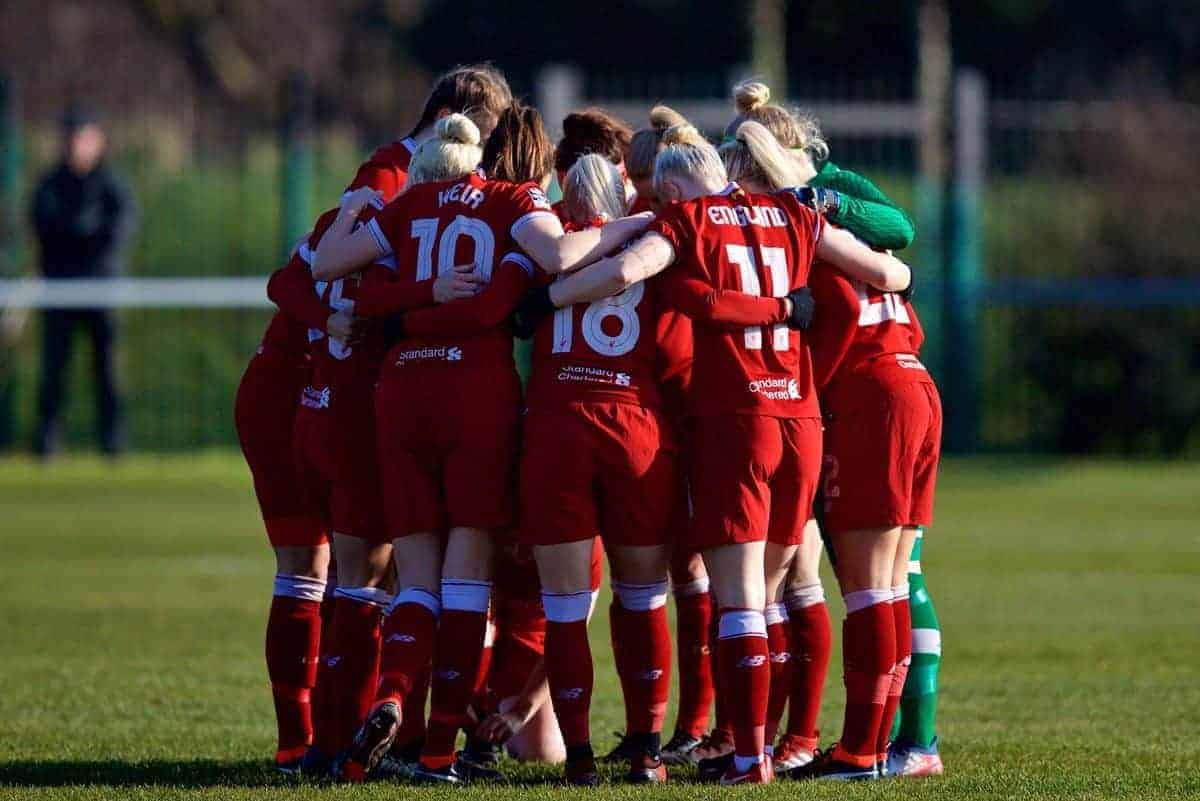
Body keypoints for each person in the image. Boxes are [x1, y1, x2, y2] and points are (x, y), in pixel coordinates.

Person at [520, 119, 911, 784]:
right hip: (800, 418)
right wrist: (793, 322)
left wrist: (547, 298)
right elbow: (888, 271)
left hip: (737, 420)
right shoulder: (791, 211)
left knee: (737, 602)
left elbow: (622, 271)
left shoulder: (683, 222)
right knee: (782, 594)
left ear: (671, 189)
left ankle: (747, 754)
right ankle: (780, 742)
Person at [312, 106, 651, 784]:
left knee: (416, 581)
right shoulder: (514, 203)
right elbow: (553, 259)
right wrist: (635, 224)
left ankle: (389, 697)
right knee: (468, 581)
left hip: (404, 389)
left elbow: (327, 263)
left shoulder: (409, 206)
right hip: (479, 396)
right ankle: (440, 750)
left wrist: (399, 279)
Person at [518, 154, 683, 785]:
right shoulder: (653, 237)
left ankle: (580, 757)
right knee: (642, 599)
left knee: (562, 608)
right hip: (635, 425)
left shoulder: (549, 236)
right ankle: (646, 749)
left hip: (558, 427)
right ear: (622, 189)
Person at [31, 104, 135, 457]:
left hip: (101, 290)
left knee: (105, 369)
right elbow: (45, 228)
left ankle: (113, 442)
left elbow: (118, 231)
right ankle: (46, 441)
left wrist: (85, 240)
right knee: (54, 369)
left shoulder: (111, 186)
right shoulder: (50, 185)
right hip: (60, 291)